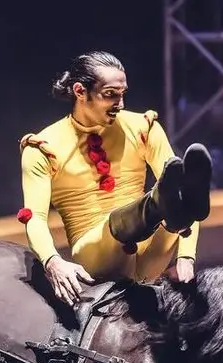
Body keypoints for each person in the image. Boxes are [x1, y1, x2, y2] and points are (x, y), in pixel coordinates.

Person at [18, 51, 212, 305]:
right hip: (98, 255)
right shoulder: (43, 148)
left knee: (177, 200)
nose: (119, 103)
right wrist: (52, 261)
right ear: (80, 91)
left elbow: (180, 186)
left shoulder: (143, 128)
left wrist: (186, 256)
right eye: (109, 94)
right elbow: (35, 218)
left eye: (122, 94)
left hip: (151, 255)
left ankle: (165, 213)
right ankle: (156, 207)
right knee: (129, 220)